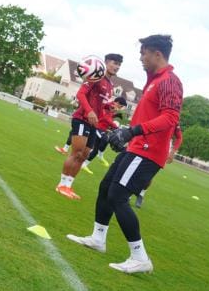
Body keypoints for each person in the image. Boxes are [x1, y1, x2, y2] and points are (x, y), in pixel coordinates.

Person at [67, 34, 182, 275]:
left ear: (157, 54)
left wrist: (133, 132)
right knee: (106, 187)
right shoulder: (153, 80)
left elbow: (171, 118)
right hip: (137, 147)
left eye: (143, 53)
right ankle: (98, 239)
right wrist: (122, 133)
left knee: (118, 195)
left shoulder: (169, 80)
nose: (140, 57)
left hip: (148, 151)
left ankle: (140, 257)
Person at [56, 53, 123, 200]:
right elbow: (81, 95)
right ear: (106, 62)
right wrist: (90, 111)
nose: (117, 66)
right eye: (114, 63)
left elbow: (101, 103)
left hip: (94, 123)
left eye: (119, 64)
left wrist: (109, 106)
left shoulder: (110, 84)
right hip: (82, 119)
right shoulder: (95, 75)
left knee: (84, 156)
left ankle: (68, 186)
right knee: (76, 153)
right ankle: (61, 185)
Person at [134, 124, 183, 209]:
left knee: (148, 177)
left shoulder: (173, 119)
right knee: (134, 170)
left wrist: (172, 151)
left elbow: (179, 137)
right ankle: (128, 194)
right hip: (145, 144)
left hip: (160, 151)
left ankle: (141, 194)